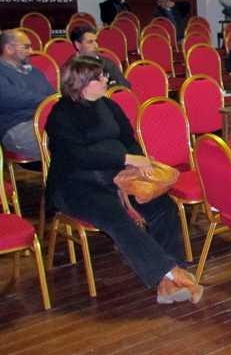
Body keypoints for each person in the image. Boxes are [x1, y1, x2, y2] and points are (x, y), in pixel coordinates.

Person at [45, 57, 202, 304]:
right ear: (81, 83)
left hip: (120, 178)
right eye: (100, 77)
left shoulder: (109, 105)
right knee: (116, 217)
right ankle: (174, 273)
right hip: (77, 185)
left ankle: (168, 283)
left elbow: (129, 140)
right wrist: (126, 158)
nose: (106, 80)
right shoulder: (61, 114)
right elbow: (78, 156)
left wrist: (136, 164)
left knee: (164, 207)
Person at [0, 29, 55, 160]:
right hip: (17, 126)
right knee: (69, 140)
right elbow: (12, 97)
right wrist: (47, 101)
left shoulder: (34, 71)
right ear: (9, 48)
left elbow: (52, 95)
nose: (31, 51)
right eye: (26, 47)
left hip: (46, 120)